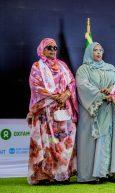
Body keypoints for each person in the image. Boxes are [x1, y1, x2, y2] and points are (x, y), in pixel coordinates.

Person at [27, 38, 78, 185]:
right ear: (41, 49)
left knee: (63, 143)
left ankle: (62, 174)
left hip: (63, 110)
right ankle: (45, 175)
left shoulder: (62, 65)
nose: (52, 50)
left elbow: (72, 82)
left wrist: (66, 95)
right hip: (45, 111)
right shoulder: (37, 66)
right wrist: (55, 96)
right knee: (47, 143)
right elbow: (35, 86)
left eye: (55, 48)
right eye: (49, 47)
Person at [76, 42, 115, 183]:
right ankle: (91, 175)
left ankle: (108, 172)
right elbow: (82, 86)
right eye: (95, 50)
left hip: (109, 108)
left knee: (108, 138)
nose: (98, 53)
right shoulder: (83, 69)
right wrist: (101, 94)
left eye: (100, 50)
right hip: (93, 110)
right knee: (92, 140)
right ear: (89, 52)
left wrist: (111, 90)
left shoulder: (111, 68)